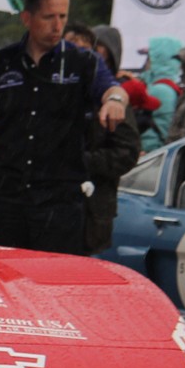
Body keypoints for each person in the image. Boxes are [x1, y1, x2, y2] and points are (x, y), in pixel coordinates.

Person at [0, 0, 130, 255]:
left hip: (58, 202)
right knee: (1, 275)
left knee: (51, 282)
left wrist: (115, 101)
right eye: (49, 17)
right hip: (6, 197)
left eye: (63, 17)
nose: (57, 25)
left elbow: (113, 87)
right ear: (27, 18)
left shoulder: (82, 61)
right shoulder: (1, 63)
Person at [65, 23, 141, 254]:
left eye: (100, 58)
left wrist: (82, 161)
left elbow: (126, 152)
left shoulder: (115, 101)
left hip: (92, 212)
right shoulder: (58, 90)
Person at [137, 35, 182, 150]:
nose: (145, 63)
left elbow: (156, 127)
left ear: (159, 59)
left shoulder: (159, 90)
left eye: (149, 57)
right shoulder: (169, 86)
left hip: (149, 152)